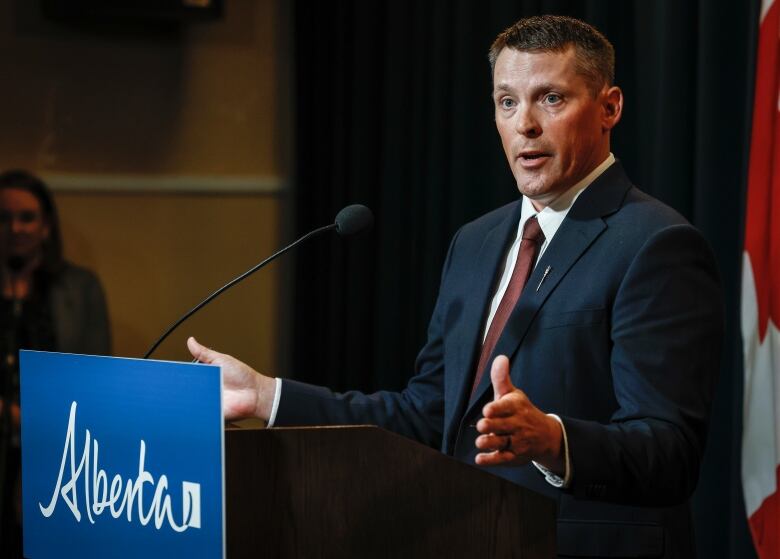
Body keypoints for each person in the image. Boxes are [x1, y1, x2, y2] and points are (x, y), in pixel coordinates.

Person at [188, 15, 722, 558]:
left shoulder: (656, 245)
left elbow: (670, 452)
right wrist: (266, 395)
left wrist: (553, 439)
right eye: (507, 102)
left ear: (609, 108)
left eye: (552, 99)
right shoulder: (477, 242)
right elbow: (427, 415)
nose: (525, 125)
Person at [0, 169, 111, 556]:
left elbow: (98, 373)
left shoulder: (79, 288)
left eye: (26, 217)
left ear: (46, 227)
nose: (15, 227)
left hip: (59, 444)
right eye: (3, 217)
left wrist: (30, 418)